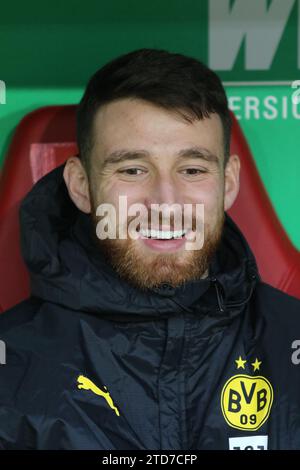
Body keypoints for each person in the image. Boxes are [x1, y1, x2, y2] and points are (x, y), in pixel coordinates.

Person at [0, 48, 300, 451]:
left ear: (228, 183)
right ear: (80, 185)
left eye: (192, 170)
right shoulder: (10, 366)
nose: (165, 202)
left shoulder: (290, 343)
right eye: (132, 170)